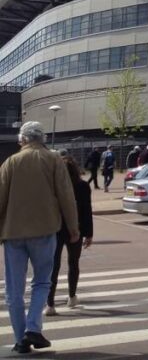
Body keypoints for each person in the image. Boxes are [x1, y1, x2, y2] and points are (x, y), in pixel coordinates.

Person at [0, 121, 80, 354]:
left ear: (22, 140)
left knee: (14, 290)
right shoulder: (53, 159)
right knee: (42, 281)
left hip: (13, 234)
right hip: (45, 231)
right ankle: (32, 328)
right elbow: (66, 195)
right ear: (42, 138)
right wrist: (73, 227)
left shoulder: (10, 163)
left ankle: (20, 339)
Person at [47, 152, 93, 315]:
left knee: (53, 266)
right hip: (76, 229)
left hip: (56, 229)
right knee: (74, 263)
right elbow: (87, 211)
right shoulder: (83, 186)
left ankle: (50, 304)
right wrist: (89, 234)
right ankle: (72, 296)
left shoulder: (53, 186)